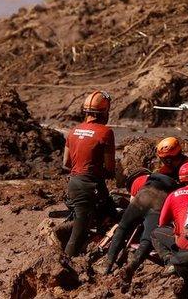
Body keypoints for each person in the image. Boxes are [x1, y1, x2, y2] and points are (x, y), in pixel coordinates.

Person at [62, 90, 116, 257]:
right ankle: (65, 263)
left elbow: (65, 164)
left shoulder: (73, 131)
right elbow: (110, 167)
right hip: (89, 185)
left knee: (101, 211)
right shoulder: (106, 132)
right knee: (80, 232)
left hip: (74, 183)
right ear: (105, 112)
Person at [99, 170, 180, 277]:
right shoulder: (176, 188)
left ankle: (107, 265)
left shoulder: (140, 180)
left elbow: (132, 202)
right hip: (159, 204)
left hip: (142, 197)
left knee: (123, 227)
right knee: (147, 238)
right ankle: (132, 266)